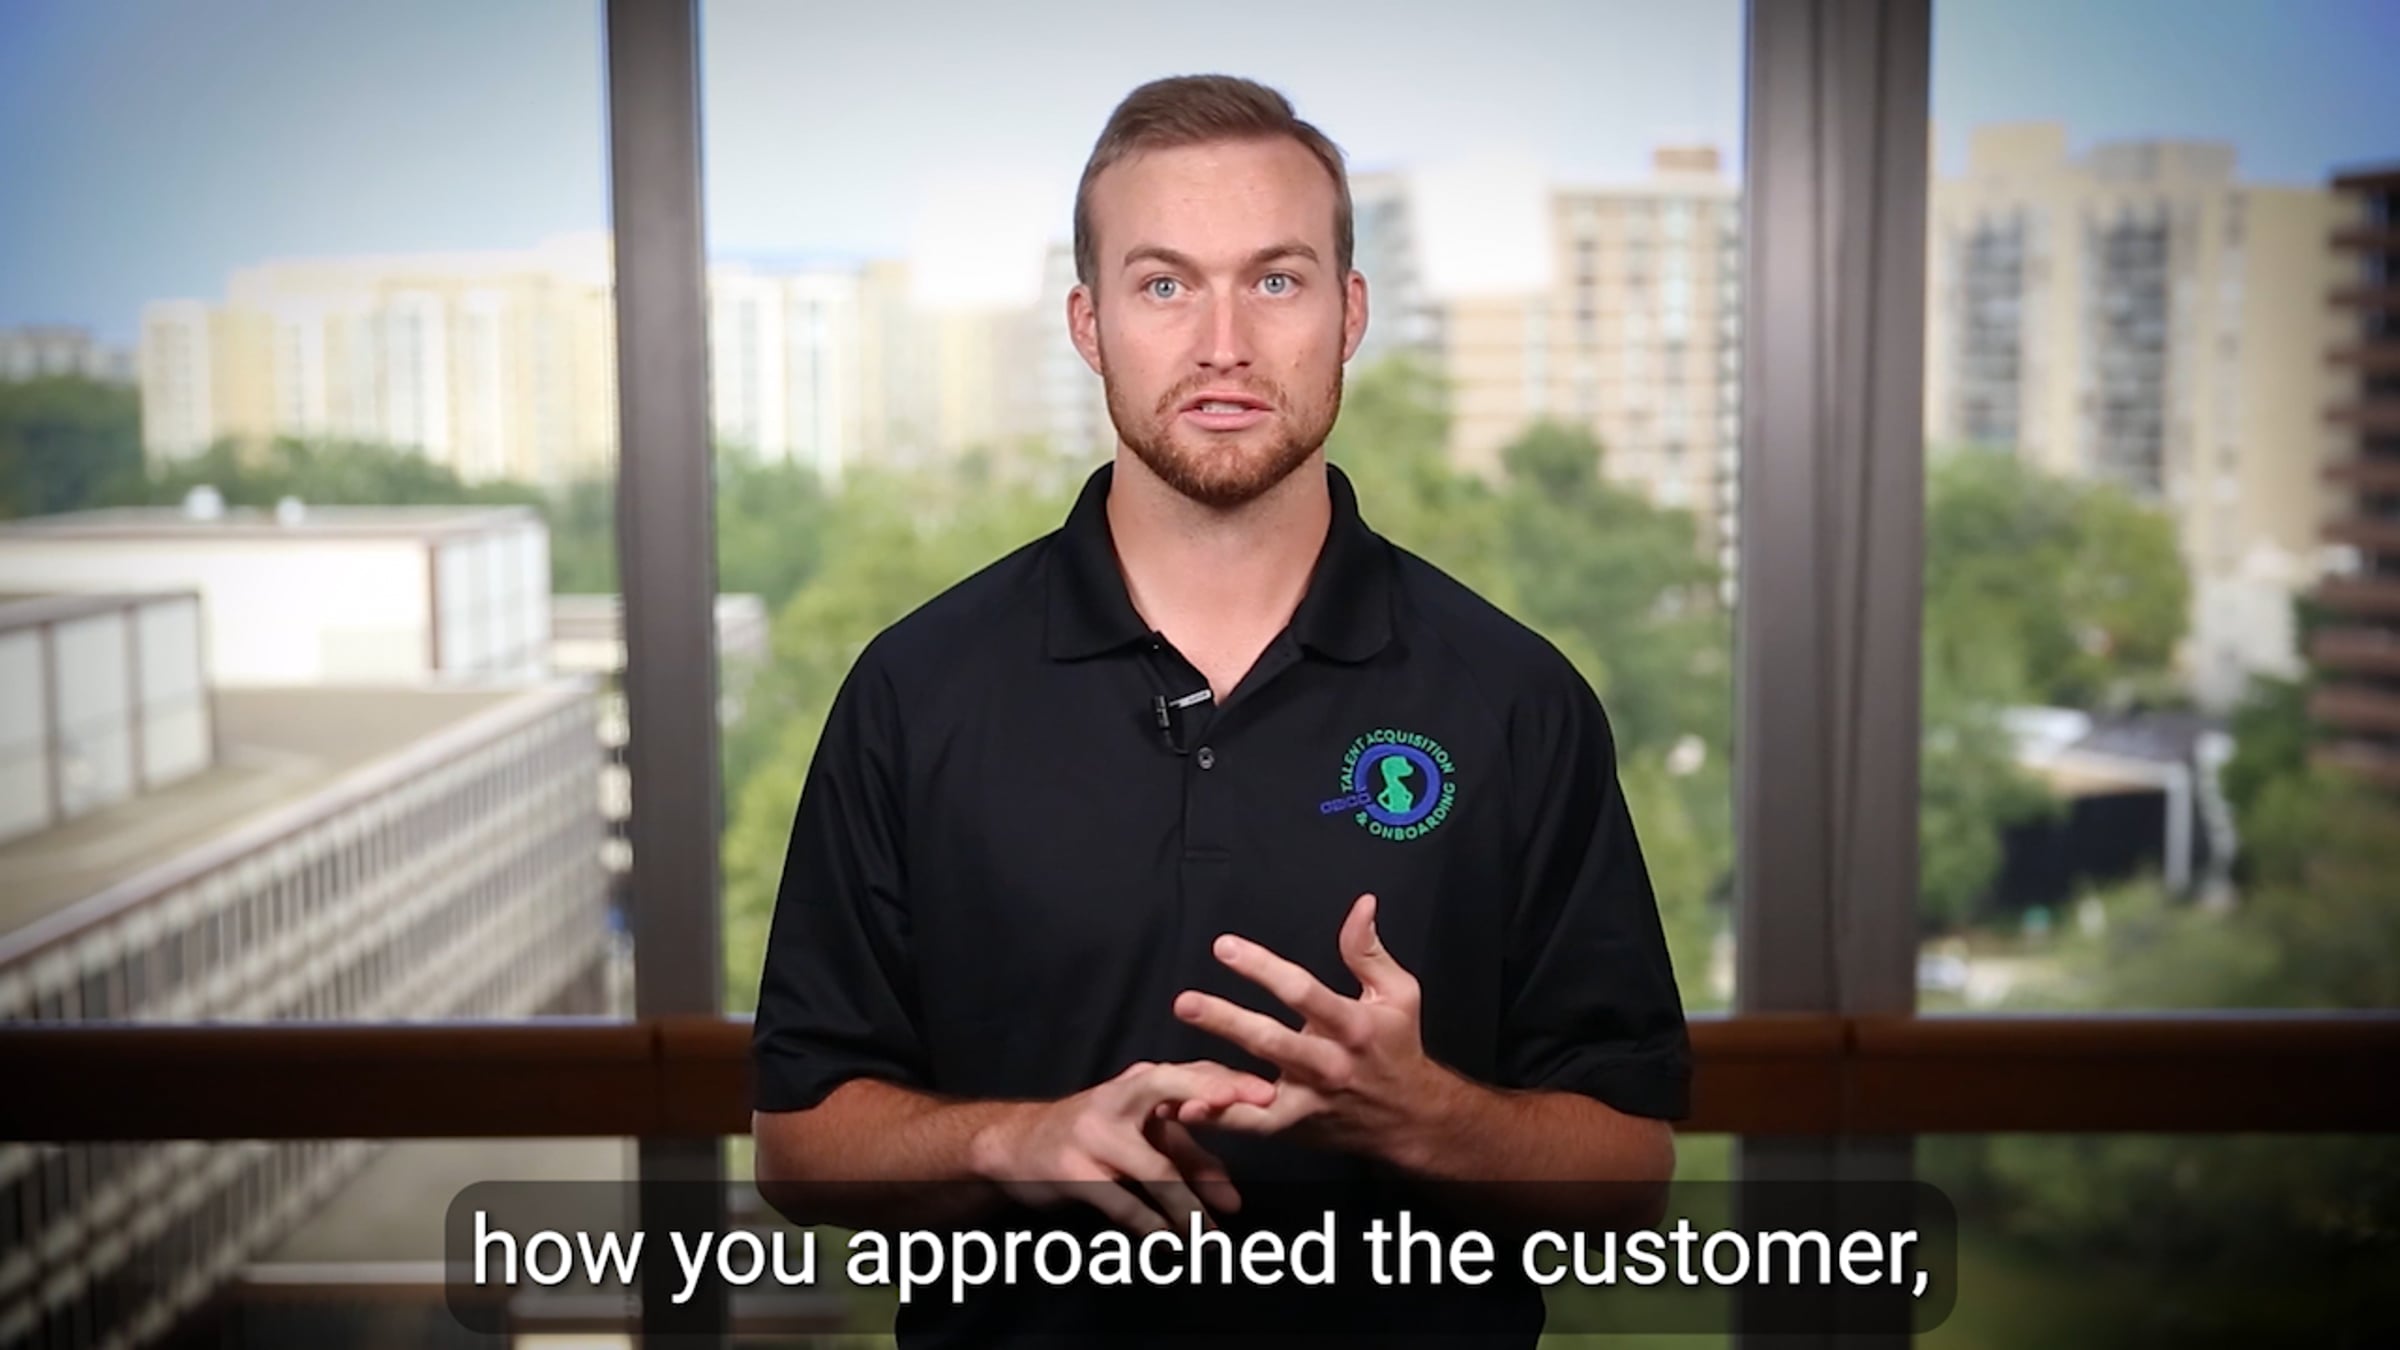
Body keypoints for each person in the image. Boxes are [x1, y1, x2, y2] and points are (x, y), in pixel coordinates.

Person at [752, 73, 1690, 1346]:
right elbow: (800, 1147)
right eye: (1164, 285)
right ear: (1088, 324)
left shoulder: (1516, 700)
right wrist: (1015, 1141)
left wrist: (1432, 1116)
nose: (1224, 342)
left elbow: (1629, 1174)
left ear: (1351, 312)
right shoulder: (916, 693)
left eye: (1277, 280)